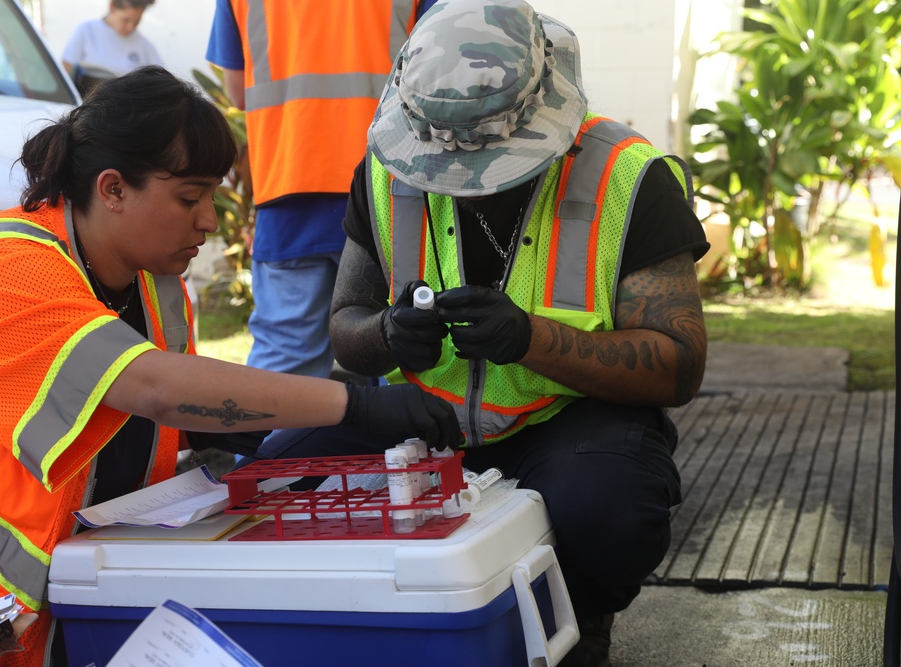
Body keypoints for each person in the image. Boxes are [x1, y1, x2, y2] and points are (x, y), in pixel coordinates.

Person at [0, 66, 462, 667]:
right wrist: (357, 402)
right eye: (189, 198)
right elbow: (156, 387)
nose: (207, 222)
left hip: (84, 598)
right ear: (112, 189)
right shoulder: (6, 267)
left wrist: (214, 423)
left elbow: (167, 402)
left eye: (212, 199)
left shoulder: (149, 279)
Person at [236, 1, 710, 666]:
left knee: (609, 510)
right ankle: (371, 626)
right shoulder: (382, 172)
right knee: (270, 477)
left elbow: (680, 365)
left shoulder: (630, 176)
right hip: (421, 427)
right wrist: (389, 334)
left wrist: (532, 341)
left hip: (568, 426)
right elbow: (346, 328)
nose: (463, 180)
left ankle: (578, 611)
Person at [204, 0, 435, 378]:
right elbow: (442, 64)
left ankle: (278, 439)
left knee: (287, 356)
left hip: (289, 184)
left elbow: (238, 91)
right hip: (390, 185)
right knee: (402, 343)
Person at [61, 0, 162, 81]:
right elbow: (67, 69)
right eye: (126, 20)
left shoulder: (145, 45)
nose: (131, 27)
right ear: (112, 7)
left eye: (137, 21)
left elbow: (162, 79)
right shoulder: (87, 30)